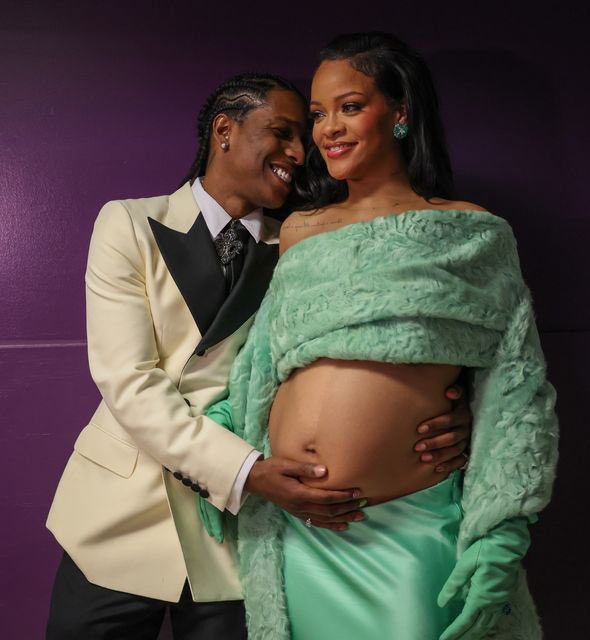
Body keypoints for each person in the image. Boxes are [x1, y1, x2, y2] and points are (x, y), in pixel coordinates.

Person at [45, 72, 471, 639]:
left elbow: (374, 345)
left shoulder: (305, 243)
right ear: (224, 130)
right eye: (282, 132)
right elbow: (128, 380)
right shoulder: (129, 223)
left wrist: (452, 409)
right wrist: (246, 471)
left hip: (239, 536)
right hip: (120, 515)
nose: (299, 152)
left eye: (303, 136)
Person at [201, 33, 558, 640]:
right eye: (318, 114)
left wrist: (501, 534)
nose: (328, 130)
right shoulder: (300, 231)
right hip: (301, 532)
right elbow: (261, 363)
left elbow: (516, 388)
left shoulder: (472, 233)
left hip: (407, 528)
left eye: (350, 107)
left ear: (399, 113)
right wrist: (227, 452)